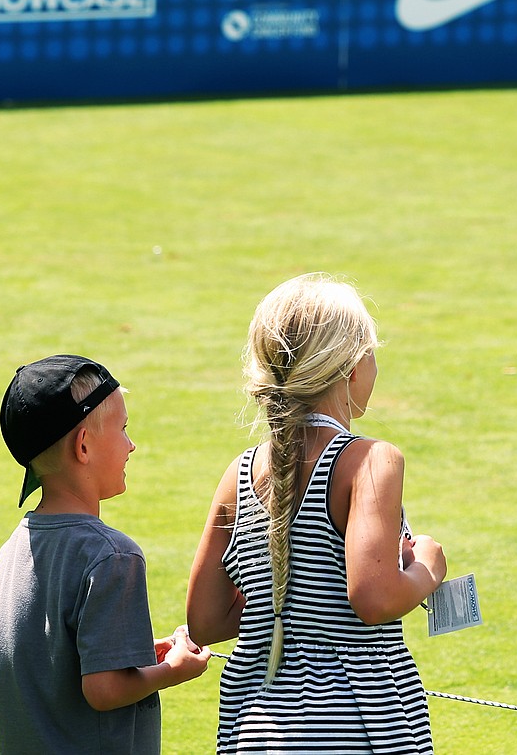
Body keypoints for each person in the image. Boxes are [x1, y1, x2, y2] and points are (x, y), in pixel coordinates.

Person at [186, 273, 446, 754]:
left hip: (252, 730)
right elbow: (373, 598)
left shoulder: (239, 473)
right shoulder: (370, 461)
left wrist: (285, 607)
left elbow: (204, 620)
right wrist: (427, 568)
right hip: (356, 730)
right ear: (349, 366)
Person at [0, 354, 211, 753]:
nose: (132, 444)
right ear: (84, 446)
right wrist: (173, 669)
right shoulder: (112, 556)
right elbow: (104, 690)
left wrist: (132, 653)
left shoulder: (10, 550)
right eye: (123, 430)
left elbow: (36, 667)